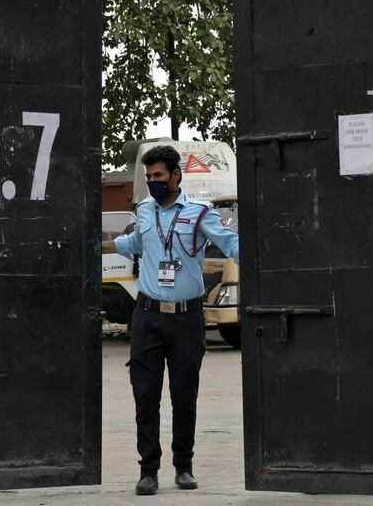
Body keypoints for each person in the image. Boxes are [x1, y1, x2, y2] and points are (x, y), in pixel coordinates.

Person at [101, 145, 240, 496]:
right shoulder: (145, 210)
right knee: (144, 396)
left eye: (159, 176)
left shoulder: (198, 213)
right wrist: (107, 244)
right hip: (147, 317)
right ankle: (148, 471)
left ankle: (184, 467)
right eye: (149, 177)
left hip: (186, 320)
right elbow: (137, 241)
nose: (153, 183)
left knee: (184, 396)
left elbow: (230, 243)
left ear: (176, 176)